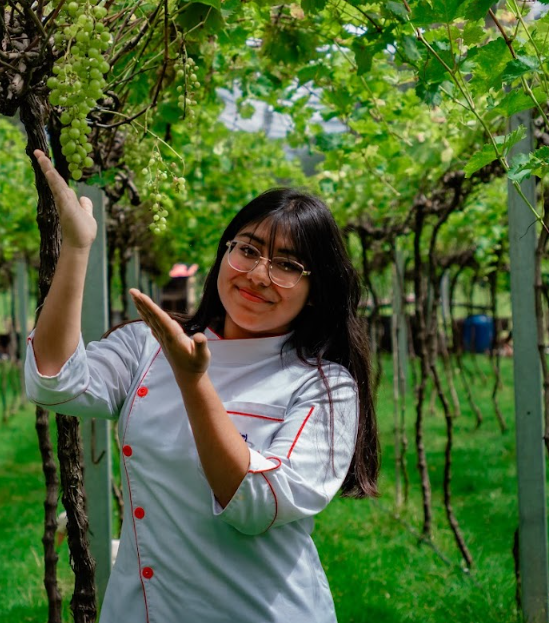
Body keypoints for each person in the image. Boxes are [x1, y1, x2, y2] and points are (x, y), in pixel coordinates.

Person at [25, 149, 379, 623]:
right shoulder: (150, 345)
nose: (258, 275)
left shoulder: (324, 385)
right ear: (225, 252)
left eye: (288, 265)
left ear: (317, 291)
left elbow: (255, 504)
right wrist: (77, 247)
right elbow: (55, 383)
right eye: (248, 249)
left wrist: (193, 383)